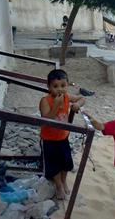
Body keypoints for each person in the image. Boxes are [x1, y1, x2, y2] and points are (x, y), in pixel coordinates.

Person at [39, 69, 85, 200]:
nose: (60, 89)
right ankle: (58, 186)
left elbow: (82, 98)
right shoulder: (45, 101)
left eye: (63, 86)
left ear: (67, 85)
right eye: (55, 86)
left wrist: (77, 104)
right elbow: (47, 120)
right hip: (49, 139)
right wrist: (56, 105)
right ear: (49, 87)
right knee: (53, 164)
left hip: (63, 137)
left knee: (66, 162)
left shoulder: (66, 97)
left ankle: (63, 181)